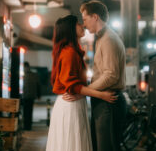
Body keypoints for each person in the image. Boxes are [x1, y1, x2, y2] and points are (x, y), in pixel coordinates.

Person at [46, 15, 117, 151]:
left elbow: (75, 87)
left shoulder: (72, 51)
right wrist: (101, 95)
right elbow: (73, 85)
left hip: (72, 103)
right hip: (70, 105)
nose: (82, 25)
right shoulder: (70, 53)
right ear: (70, 29)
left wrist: (82, 94)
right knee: (72, 144)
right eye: (78, 23)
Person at [73, 0, 127, 151]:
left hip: (109, 101)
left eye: (85, 19)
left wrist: (88, 90)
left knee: (106, 147)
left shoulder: (108, 39)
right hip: (104, 100)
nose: (83, 24)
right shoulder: (102, 38)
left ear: (95, 17)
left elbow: (111, 75)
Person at [23, 61, 41, 130]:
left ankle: (26, 126)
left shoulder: (23, 75)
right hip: (31, 96)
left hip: (25, 96)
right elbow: (38, 85)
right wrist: (39, 95)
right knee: (30, 111)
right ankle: (29, 126)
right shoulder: (34, 75)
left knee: (25, 112)